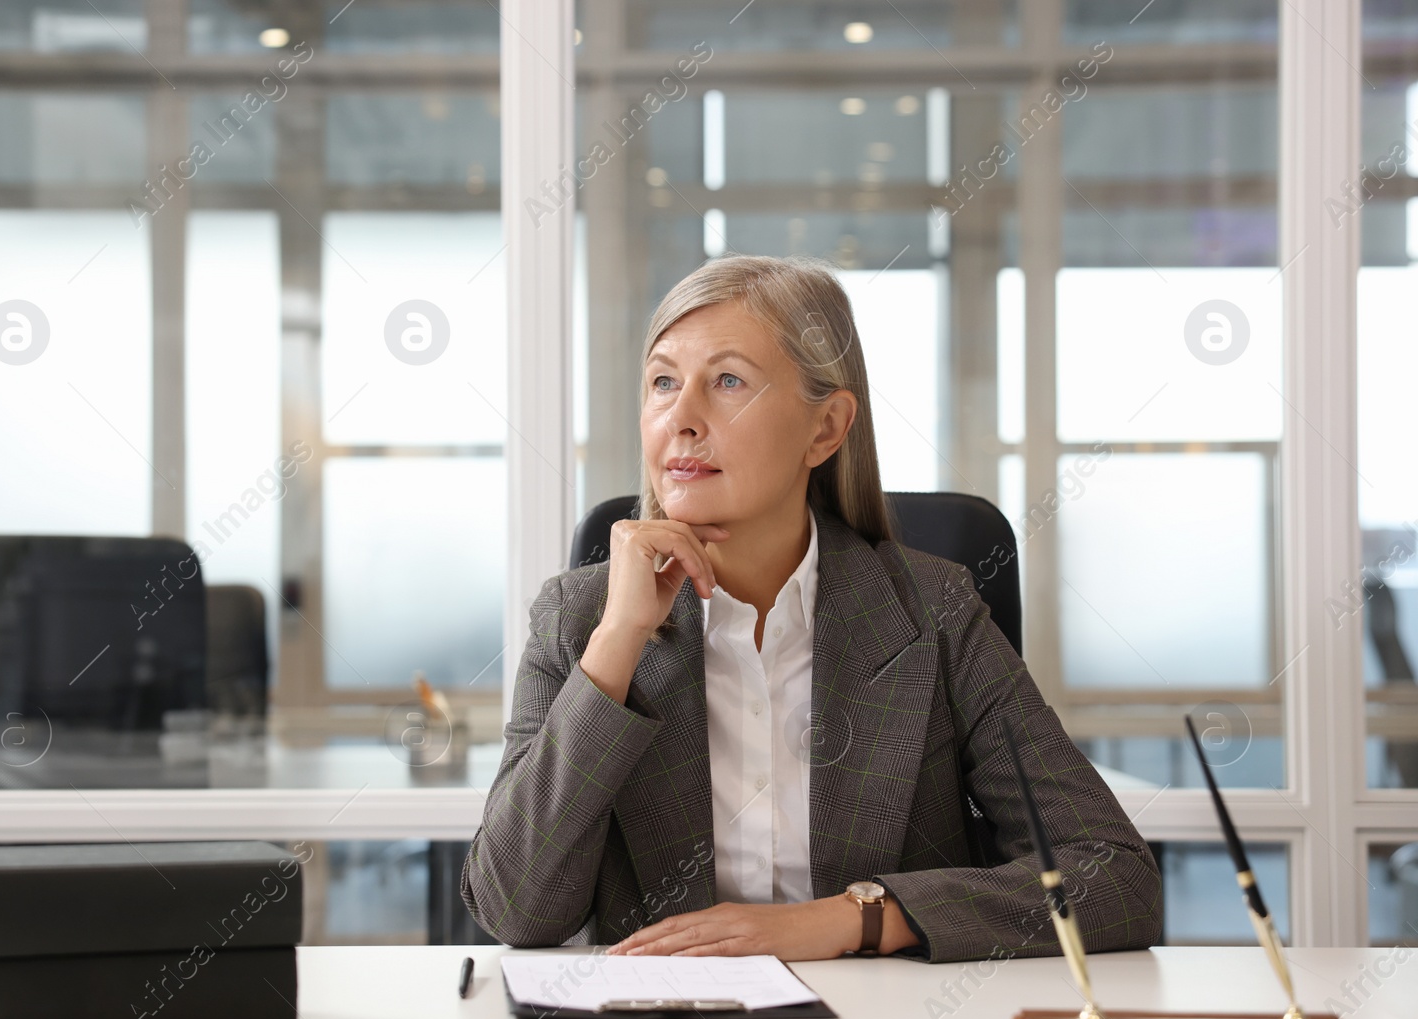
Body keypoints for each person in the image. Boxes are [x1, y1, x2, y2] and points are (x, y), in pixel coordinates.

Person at [461, 254, 1161, 962]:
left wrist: (855, 918)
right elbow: (518, 910)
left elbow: (1115, 877)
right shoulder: (579, 618)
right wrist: (617, 643)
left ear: (825, 429)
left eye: (727, 380)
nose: (682, 417)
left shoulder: (935, 611)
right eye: (664, 382)